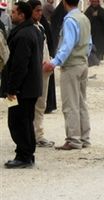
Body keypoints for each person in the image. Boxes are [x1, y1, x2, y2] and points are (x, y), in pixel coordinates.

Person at [42, 0, 92, 150]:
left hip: (71, 66)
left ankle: (73, 139)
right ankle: (84, 138)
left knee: (70, 104)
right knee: (81, 102)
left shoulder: (70, 20)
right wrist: (83, 57)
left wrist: (55, 62)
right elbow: (89, 43)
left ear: (64, 2)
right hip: (82, 63)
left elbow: (67, 45)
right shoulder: (84, 18)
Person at [0, 1, 43, 168]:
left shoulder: (24, 35)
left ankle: (24, 156)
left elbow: (19, 66)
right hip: (30, 87)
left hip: (21, 89)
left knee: (17, 122)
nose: (12, 15)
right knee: (25, 121)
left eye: (14, 12)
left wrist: (12, 89)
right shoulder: (33, 30)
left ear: (22, 15)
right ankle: (26, 153)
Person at [28, 0, 55, 147]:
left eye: (40, 11)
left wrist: (49, 62)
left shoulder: (41, 27)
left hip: (44, 72)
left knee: (41, 104)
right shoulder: (26, 29)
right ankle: (30, 135)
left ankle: (38, 134)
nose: (40, 13)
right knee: (30, 105)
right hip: (33, 73)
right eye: (37, 11)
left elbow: (45, 48)